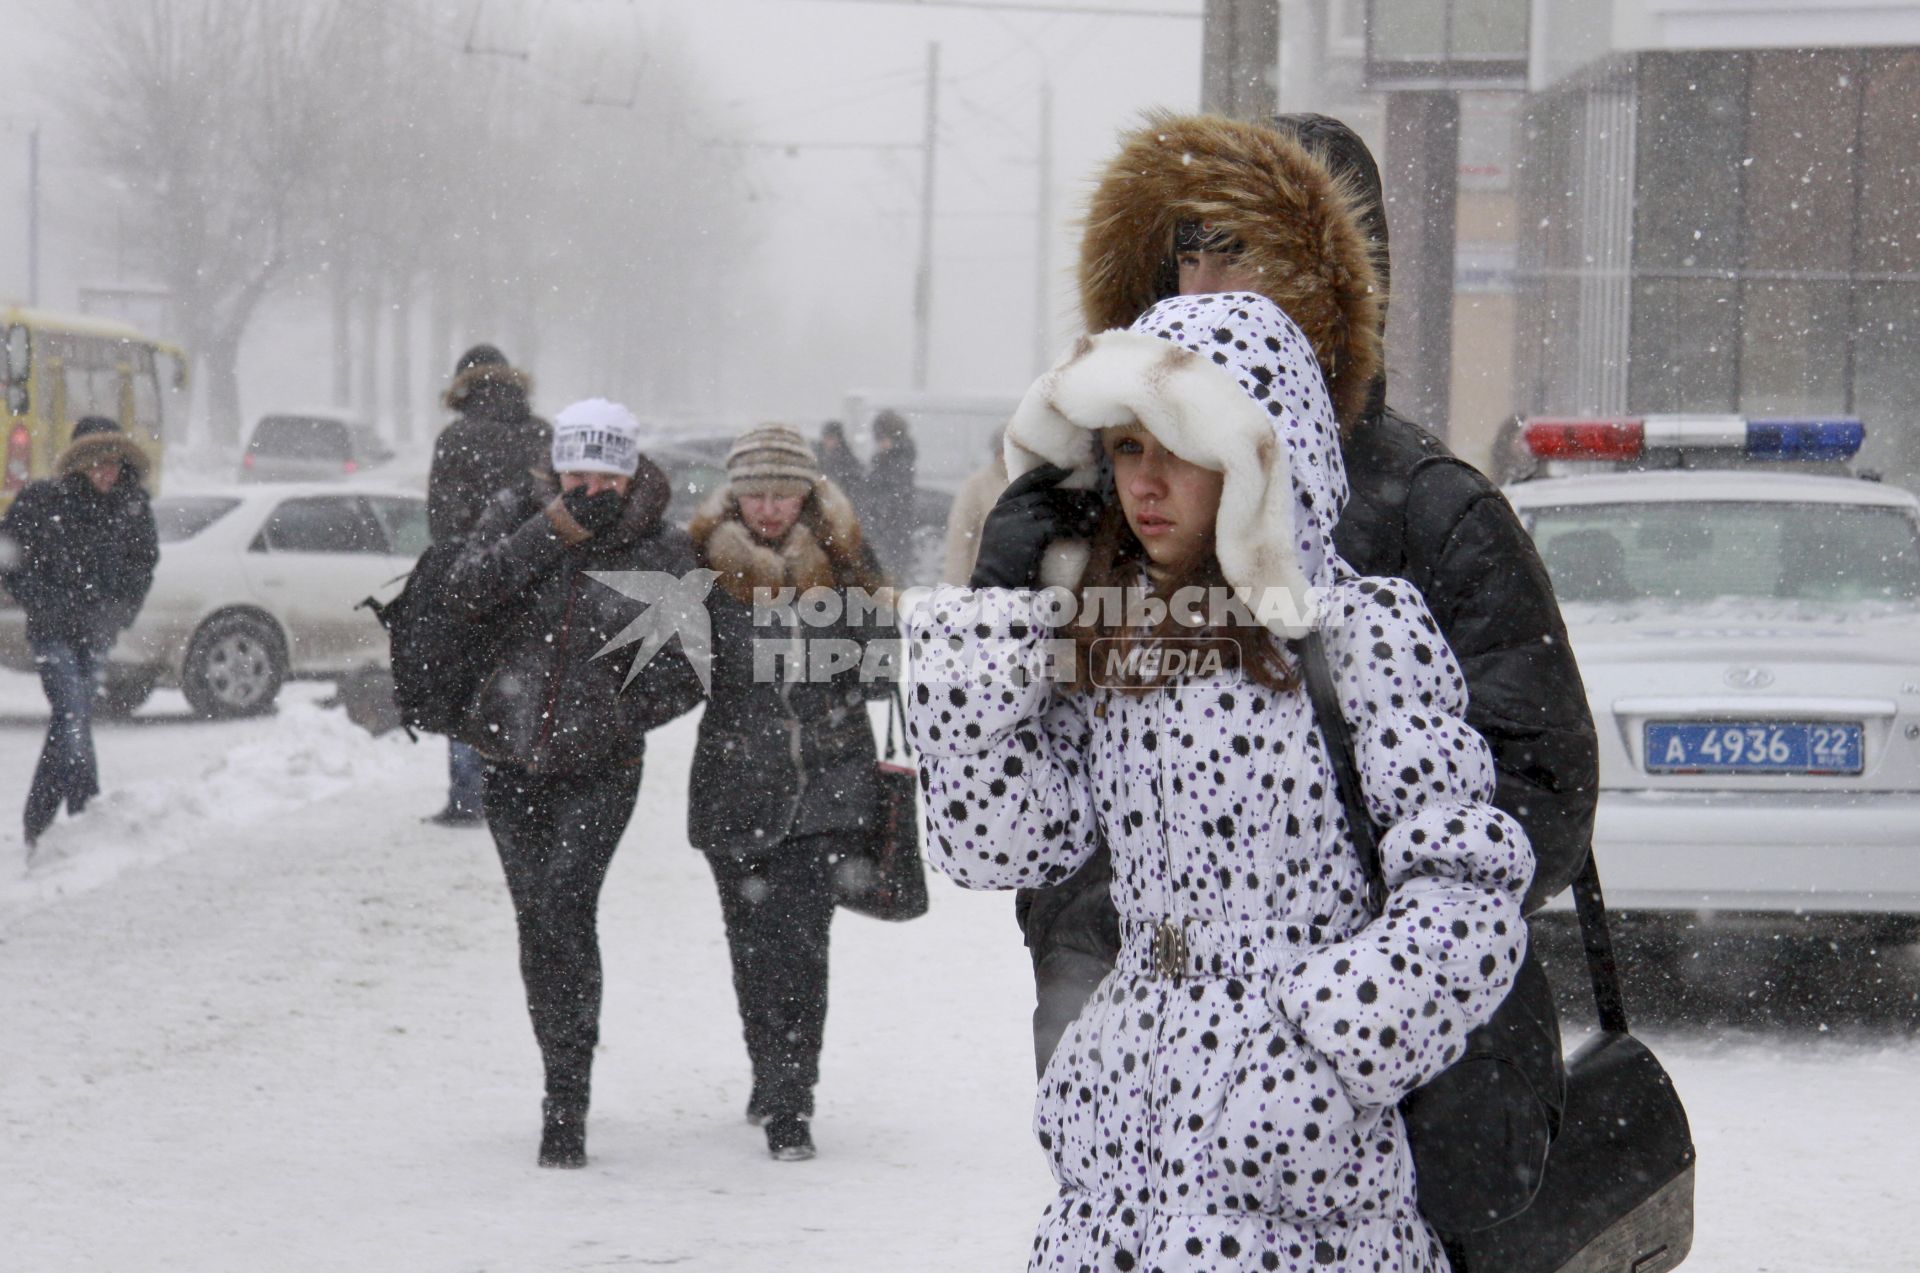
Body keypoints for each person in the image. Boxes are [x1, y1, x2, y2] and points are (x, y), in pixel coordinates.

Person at [910, 290, 1534, 1269]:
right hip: (1121, 1167)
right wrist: (991, 609)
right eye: (1124, 450)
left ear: (1259, 456)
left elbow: (1470, 891)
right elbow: (994, 843)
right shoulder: (1114, 641)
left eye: (1176, 449)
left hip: (1299, 1190)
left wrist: (1319, 1057)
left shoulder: (1361, 630)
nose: (1145, 484)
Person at [1019, 111, 1598, 1082]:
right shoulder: (1102, 496)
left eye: (1236, 250)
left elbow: (1538, 782)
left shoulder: (1427, 506)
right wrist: (1091, 958)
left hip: (1375, 1096)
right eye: (1184, 251)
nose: (1200, 284)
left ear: (1326, 278)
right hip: (1144, 1061)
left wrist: (1346, 988)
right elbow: (1045, 769)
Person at [447, 398, 705, 1168]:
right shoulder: (518, 514)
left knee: (566, 902)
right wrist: (546, 532)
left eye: (604, 471)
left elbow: (689, 668)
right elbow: (464, 594)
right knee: (537, 920)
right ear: (555, 466)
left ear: (629, 473)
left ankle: (568, 1097)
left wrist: (619, 716)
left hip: (602, 768)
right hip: (510, 758)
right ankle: (556, 1066)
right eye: (575, 470)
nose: (587, 485)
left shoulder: (662, 550)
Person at [686, 425, 894, 1162]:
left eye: (784, 492)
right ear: (734, 495)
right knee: (751, 946)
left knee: (803, 947)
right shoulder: (699, 562)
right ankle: (766, 1065)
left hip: (827, 779)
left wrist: (854, 574)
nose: (770, 509)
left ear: (809, 491)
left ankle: (791, 1099)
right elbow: (674, 670)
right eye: (755, 493)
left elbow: (887, 655)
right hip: (735, 781)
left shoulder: (841, 554)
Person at [3, 417, 158, 853]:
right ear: (79, 465)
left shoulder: (132, 506)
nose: (106, 473)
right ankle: (85, 812)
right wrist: (41, 600)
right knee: (72, 716)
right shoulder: (42, 501)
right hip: (52, 633)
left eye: (113, 464)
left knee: (69, 724)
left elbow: (143, 565)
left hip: (96, 634)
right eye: (97, 464)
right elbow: (8, 557)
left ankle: (38, 822)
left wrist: (118, 613)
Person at [424, 343, 552, 826]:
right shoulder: (543, 434)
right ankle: (529, 787)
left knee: (468, 691)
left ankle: (468, 795)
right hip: (537, 585)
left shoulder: (456, 438)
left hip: (472, 585)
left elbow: (443, 522)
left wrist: (455, 576)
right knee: (533, 688)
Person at [937, 427, 1008, 586]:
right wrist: (957, 589)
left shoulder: (1033, 484)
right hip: (985, 584)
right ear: (998, 451)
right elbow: (959, 541)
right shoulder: (976, 486)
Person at [860, 409, 918, 579]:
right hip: (888, 521)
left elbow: (895, 491)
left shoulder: (898, 458)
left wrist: (880, 508)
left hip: (891, 521)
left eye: (882, 438)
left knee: (891, 566)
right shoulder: (890, 457)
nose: (879, 442)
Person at [815, 419, 867, 500]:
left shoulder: (850, 463)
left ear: (839, 440)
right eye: (825, 437)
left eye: (831, 437)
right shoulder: (817, 459)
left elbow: (855, 491)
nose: (827, 441)